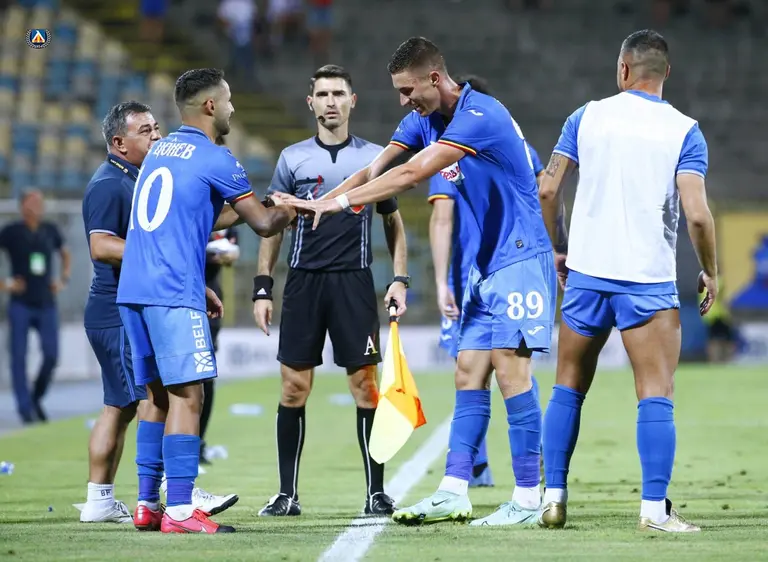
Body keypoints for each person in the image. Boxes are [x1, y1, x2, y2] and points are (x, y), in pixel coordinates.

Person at [285, 37, 556, 527]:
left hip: (520, 257)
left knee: (512, 374)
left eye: (408, 90)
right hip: (485, 265)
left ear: (435, 78)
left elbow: (411, 173)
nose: (402, 101)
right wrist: (323, 201)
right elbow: (374, 168)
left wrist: (339, 204)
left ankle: (527, 497)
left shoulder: (481, 114)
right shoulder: (424, 118)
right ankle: (454, 490)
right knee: (468, 372)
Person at [536, 29, 716, 532]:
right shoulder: (685, 131)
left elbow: (547, 189)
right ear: (666, 74)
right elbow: (697, 215)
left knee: (568, 386)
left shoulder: (585, 116)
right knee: (655, 392)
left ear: (622, 70)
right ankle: (654, 510)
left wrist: (559, 247)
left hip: (587, 276)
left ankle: (553, 497)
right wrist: (711, 270)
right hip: (646, 282)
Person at [117, 68, 296, 534]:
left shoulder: (159, 152)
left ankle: (147, 503)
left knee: (155, 396)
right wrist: (290, 210)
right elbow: (264, 224)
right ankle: (180, 509)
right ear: (212, 106)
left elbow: (195, 213)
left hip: (135, 288)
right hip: (172, 292)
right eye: (229, 100)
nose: (233, 108)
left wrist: (254, 210)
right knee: (189, 395)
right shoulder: (217, 157)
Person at [253, 64, 407, 517]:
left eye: (339, 93)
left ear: (352, 101)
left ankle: (376, 493)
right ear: (311, 103)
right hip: (303, 283)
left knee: (366, 388)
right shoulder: (292, 158)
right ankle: (287, 494)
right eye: (322, 94)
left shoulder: (375, 158)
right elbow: (272, 226)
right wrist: (263, 287)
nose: (331, 101)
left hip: (354, 283)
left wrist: (399, 278)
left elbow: (393, 221)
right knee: (293, 388)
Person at [79, 101, 238, 525]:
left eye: (156, 127)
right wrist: (161, 255)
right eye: (146, 131)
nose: (157, 136)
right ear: (119, 142)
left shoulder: (141, 177)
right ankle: (159, 492)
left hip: (136, 297)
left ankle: (138, 499)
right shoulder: (108, 184)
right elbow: (101, 245)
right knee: (144, 401)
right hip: (117, 306)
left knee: (140, 402)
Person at [429, 74, 546, 489]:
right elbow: (546, 196)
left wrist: (441, 282)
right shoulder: (520, 148)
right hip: (500, 269)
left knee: (498, 370)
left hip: (489, 271)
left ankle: (518, 479)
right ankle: (475, 474)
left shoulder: (449, 150)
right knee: (486, 367)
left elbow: (442, 218)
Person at [0, 190, 70, 424]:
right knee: (18, 357)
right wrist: (6, 284)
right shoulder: (11, 232)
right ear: (23, 206)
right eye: (33, 201)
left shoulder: (50, 230)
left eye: (40, 201)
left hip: (46, 303)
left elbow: (65, 254)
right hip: (20, 303)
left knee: (51, 355)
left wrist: (63, 279)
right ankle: (25, 409)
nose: (38, 205)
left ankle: (35, 397)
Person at [201, 224, 240, 466]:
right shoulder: (190, 210)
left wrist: (220, 254)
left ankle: (198, 443)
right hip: (182, 295)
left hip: (211, 302)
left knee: (206, 376)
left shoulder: (230, 218)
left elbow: (233, 254)